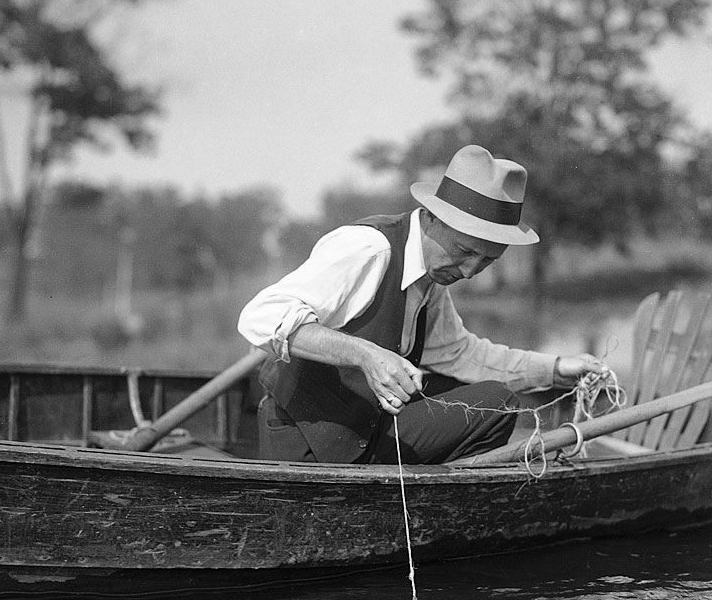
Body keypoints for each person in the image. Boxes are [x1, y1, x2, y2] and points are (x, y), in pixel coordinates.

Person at [237, 144, 608, 465]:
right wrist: (364, 354)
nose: (468, 271)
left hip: (366, 430)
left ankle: (422, 496)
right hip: (305, 444)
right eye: (464, 252)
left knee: (494, 401)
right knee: (493, 400)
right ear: (432, 217)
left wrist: (557, 369)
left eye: (486, 262)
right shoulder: (369, 248)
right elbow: (261, 316)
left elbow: (463, 355)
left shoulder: (432, 278)